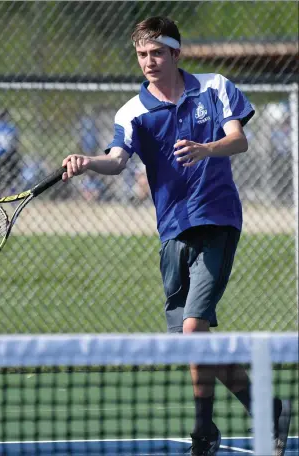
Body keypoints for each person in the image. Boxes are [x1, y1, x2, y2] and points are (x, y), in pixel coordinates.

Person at [61, 16, 291, 456]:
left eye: (157, 53)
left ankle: (204, 430)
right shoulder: (133, 112)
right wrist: (88, 162)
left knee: (192, 327)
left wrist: (207, 149)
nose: (148, 62)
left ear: (176, 53)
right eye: (142, 55)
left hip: (217, 219)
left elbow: (238, 140)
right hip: (171, 230)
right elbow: (116, 158)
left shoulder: (215, 86)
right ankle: (266, 407)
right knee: (193, 339)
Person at [0, 109, 21, 194]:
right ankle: (4, 193)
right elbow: (16, 141)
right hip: (6, 154)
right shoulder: (8, 127)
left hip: (3, 154)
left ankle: (1, 193)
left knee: (2, 175)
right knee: (7, 175)